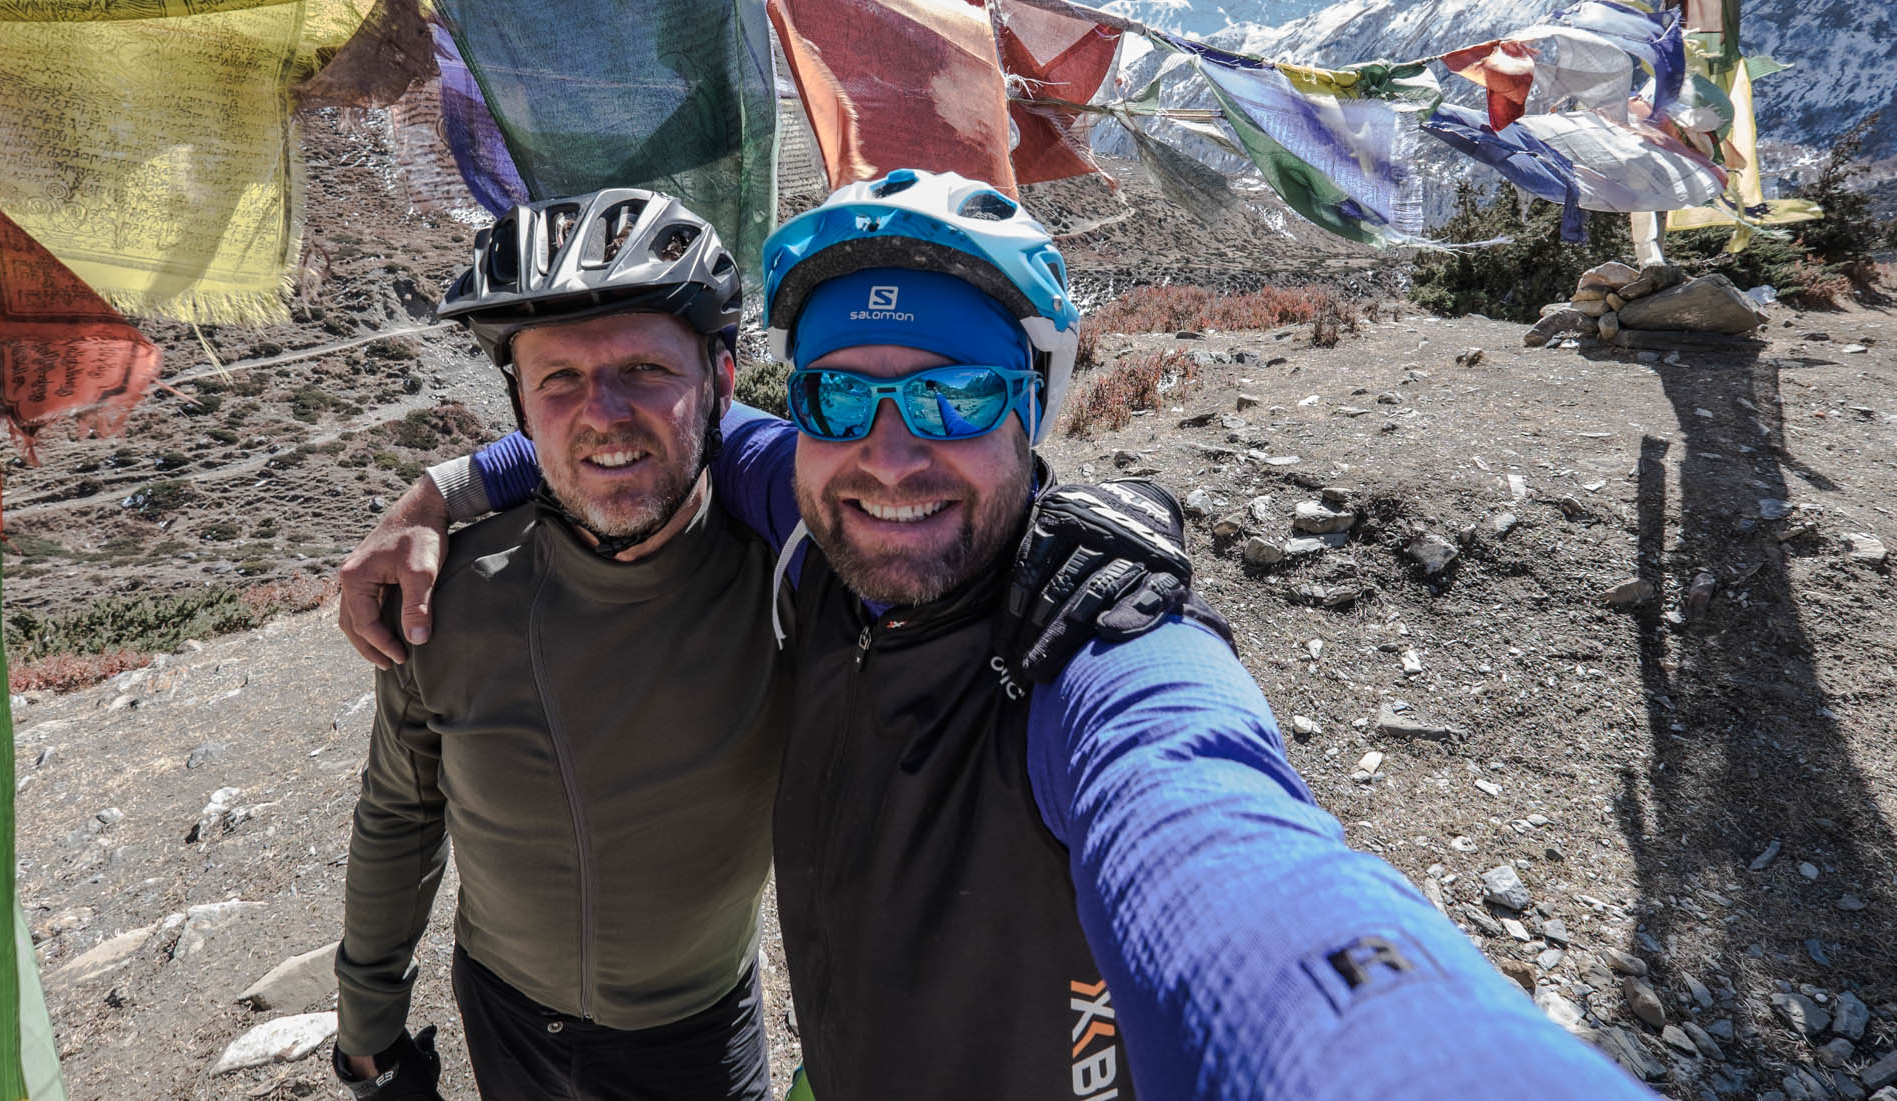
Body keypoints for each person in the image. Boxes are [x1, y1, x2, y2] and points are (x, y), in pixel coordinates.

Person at [345, 171, 1655, 1099]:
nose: (892, 455)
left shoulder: (1096, 655)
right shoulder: (803, 522)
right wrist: (438, 492)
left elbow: (1230, 860)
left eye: (961, 395)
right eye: (846, 393)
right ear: (794, 409)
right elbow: (614, 436)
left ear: (1036, 409)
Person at [332, 190, 781, 1101]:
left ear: (723, 381)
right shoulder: (450, 594)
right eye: (559, 381)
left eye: (646, 369)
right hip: (504, 1019)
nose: (602, 413)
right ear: (521, 409)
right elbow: (399, 813)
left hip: (698, 1037)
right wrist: (367, 1031)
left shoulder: (783, 589)